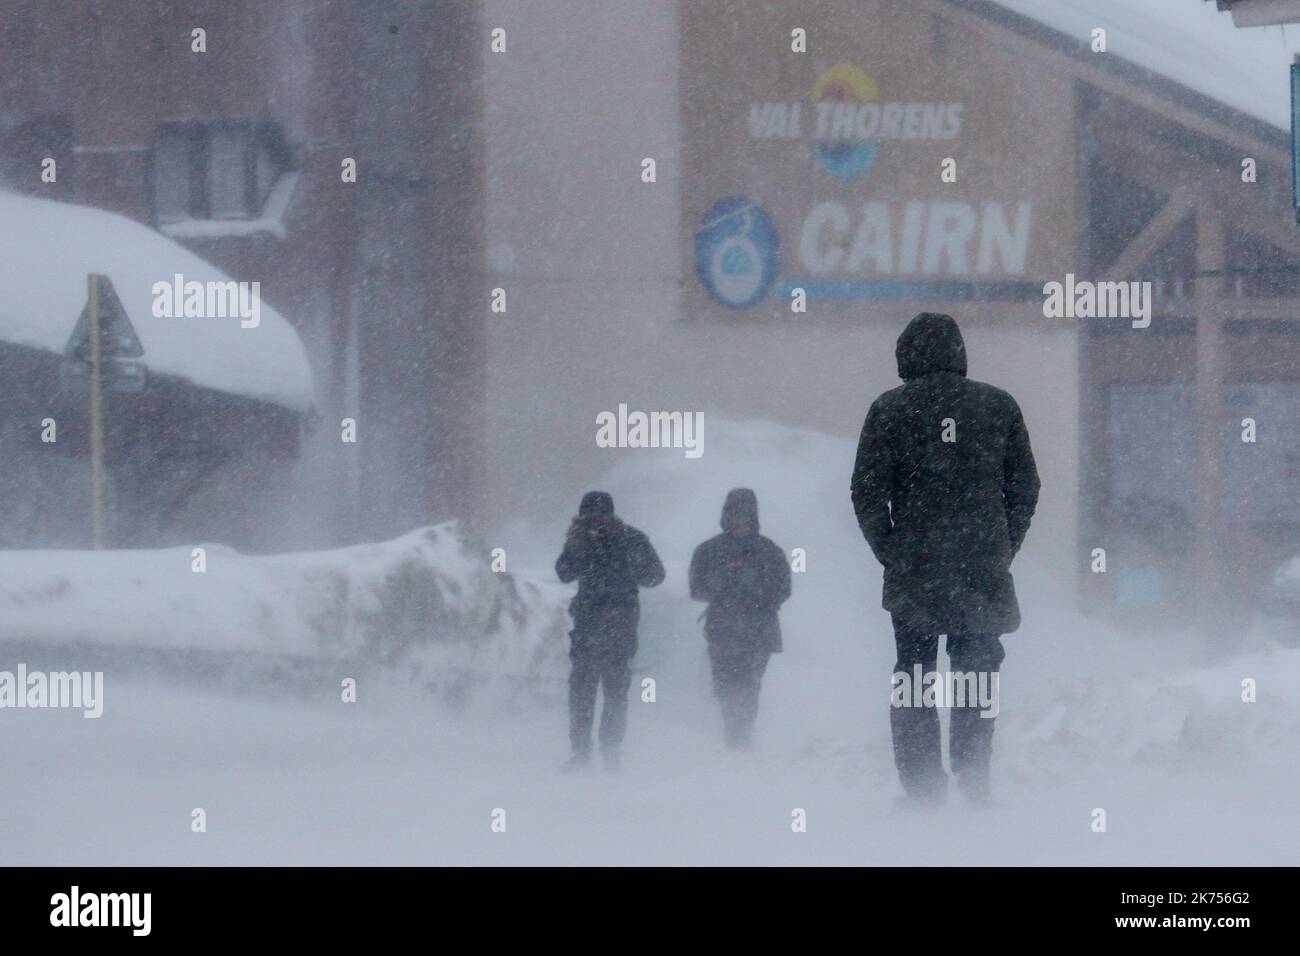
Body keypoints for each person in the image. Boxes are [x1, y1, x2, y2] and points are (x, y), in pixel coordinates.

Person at [850, 313, 1040, 806]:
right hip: (981, 568)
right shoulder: (999, 406)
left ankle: (923, 789)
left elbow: (866, 492)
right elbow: (1025, 487)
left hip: (916, 570)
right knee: (977, 672)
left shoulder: (889, 410)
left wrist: (891, 552)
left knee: (914, 676)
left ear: (907, 354)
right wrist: (1003, 546)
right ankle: (974, 776)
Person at [555, 491, 664, 770]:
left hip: (619, 627)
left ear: (612, 515)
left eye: (601, 516)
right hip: (588, 627)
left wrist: (627, 558)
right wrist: (578, 546)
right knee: (583, 692)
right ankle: (581, 752)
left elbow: (655, 575)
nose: (597, 522)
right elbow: (564, 572)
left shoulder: (632, 539)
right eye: (590, 516)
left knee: (614, 692)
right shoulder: (579, 540)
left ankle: (610, 750)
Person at [688, 488, 791, 751]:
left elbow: (783, 590)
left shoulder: (770, 551)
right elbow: (696, 589)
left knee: (749, 682)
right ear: (725, 518)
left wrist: (754, 594)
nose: (739, 523)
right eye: (734, 517)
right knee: (724, 684)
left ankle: (741, 737)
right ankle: (734, 735)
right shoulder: (708, 550)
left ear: (754, 518)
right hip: (723, 629)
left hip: (758, 630)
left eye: (744, 517)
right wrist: (722, 587)